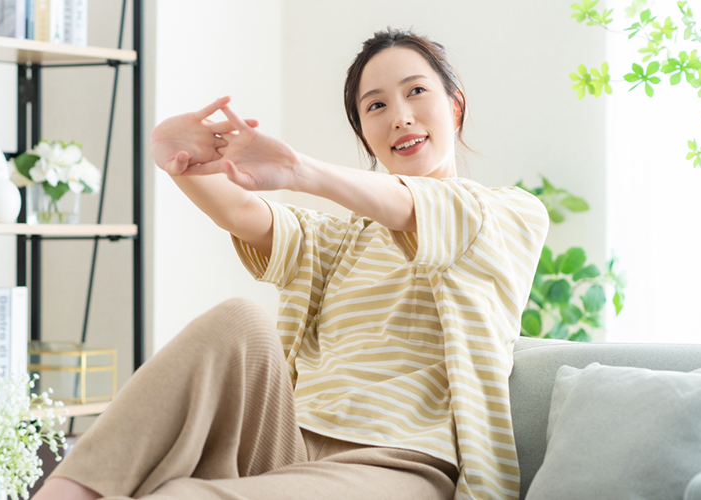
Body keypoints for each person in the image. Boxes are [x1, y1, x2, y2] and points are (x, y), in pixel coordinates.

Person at [30, 28, 548, 500]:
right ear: (365, 135)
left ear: (455, 107)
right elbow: (243, 213)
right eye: (375, 105)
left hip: (399, 462)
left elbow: (413, 206)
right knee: (239, 318)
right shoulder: (344, 241)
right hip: (290, 445)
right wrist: (181, 161)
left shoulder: (507, 215)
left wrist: (297, 170)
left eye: (416, 91)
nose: (400, 116)